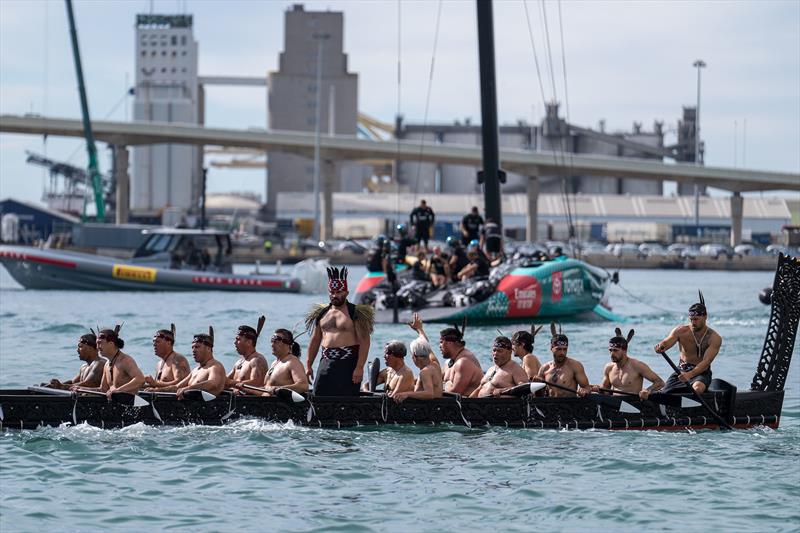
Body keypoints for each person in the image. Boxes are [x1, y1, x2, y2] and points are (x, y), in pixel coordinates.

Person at [305, 267, 374, 396]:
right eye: (332, 292)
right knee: (319, 398)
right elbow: (315, 341)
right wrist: (308, 365)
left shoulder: (355, 313)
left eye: (338, 292)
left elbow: (365, 342)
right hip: (325, 363)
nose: (334, 295)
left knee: (347, 401)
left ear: (346, 292)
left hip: (348, 364)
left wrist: (359, 367)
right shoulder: (322, 313)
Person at [653, 291, 722, 394]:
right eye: (691, 319)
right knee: (664, 394)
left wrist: (690, 375)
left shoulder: (714, 338)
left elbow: (706, 362)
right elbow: (667, 342)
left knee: (697, 389)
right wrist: (661, 346)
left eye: (696, 319)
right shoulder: (680, 331)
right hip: (680, 371)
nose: (693, 322)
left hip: (701, 373)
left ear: (705, 317)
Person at [148, 327, 227, 399]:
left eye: (197, 347)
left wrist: (188, 388)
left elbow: (212, 383)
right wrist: (157, 390)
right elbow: (176, 387)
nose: (193, 350)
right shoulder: (195, 370)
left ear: (208, 348)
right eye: (192, 347)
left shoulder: (215, 367)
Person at [75, 325, 145, 399]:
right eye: (97, 343)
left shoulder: (126, 360)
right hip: (115, 404)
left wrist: (118, 391)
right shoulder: (107, 365)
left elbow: (140, 380)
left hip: (130, 404)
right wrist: (82, 389)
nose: (97, 347)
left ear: (111, 344)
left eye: (100, 343)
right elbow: (103, 390)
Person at [594, 328, 664, 399]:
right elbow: (605, 391)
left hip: (633, 404)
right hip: (614, 403)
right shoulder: (609, 368)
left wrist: (648, 391)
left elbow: (660, 382)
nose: (612, 354)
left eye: (615, 350)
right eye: (610, 350)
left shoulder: (637, 366)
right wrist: (597, 389)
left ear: (624, 350)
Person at [238, 329, 308, 396]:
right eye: (272, 341)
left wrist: (279, 389)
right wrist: (246, 389)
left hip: (282, 406)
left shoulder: (292, 362)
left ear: (287, 344)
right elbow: (267, 390)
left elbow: (303, 386)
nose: (272, 345)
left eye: (275, 342)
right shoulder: (274, 363)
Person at [534, 323, 591, 397]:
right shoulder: (544, 368)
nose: (562, 353)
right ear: (551, 348)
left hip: (569, 405)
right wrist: (536, 384)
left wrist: (584, 391)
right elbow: (539, 396)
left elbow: (587, 387)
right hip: (549, 405)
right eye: (559, 349)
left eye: (565, 349)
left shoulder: (575, 366)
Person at [392, 337, 444, 403]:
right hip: (438, 405)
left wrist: (406, 394)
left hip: (429, 408)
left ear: (414, 356)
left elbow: (429, 393)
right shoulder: (435, 364)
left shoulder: (425, 372)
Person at [436, 323, 482, 396]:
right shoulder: (449, 362)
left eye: (441, 342)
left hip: (469, 405)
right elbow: (433, 378)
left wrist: (446, 384)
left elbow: (455, 393)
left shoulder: (463, 362)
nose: (439, 346)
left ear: (450, 343)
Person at [226, 316, 268, 389]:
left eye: (238, 339)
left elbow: (257, 383)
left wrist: (232, 383)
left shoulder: (257, 360)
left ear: (249, 342)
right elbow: (226, 381)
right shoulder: (238, 363)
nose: (235, 342)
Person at [143, 324, 190, 389]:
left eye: (157, 341)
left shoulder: (177, 359)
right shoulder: (159, 364)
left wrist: (155, 383)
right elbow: (157, 386)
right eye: (153, 341)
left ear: (169, 343)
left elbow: (181, 383)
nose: (154, 344)